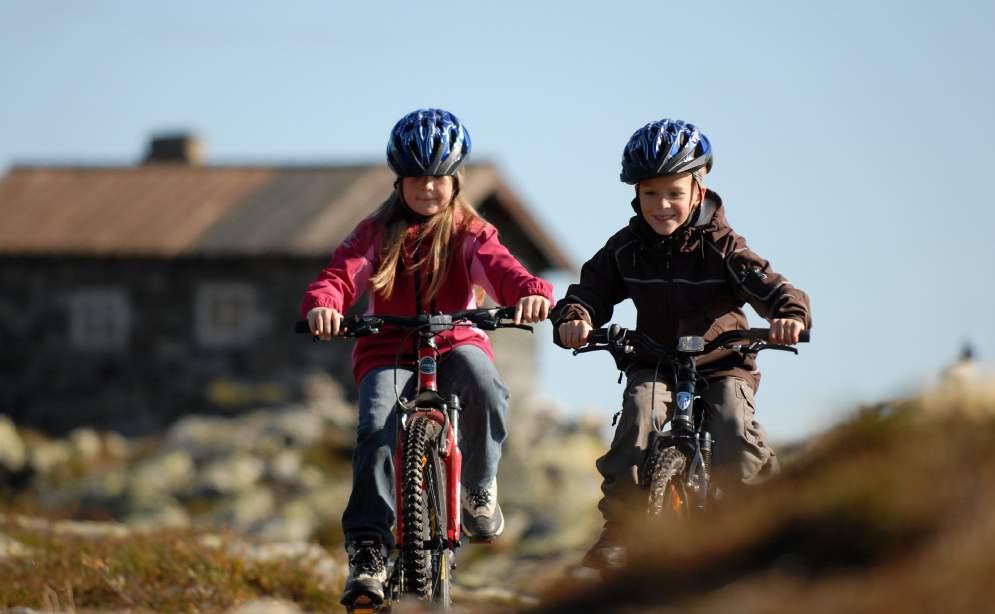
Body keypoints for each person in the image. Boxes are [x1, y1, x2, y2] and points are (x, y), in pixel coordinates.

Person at [301, 108, 553, 605]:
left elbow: (504, 271)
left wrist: (531, 293)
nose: (429, 188)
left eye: (439, 177)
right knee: (376, 430)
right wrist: (324, 306)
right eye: (417, 178)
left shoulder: (471, 232)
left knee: (485, 387)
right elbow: (340, 275)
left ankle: (479, 487)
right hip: (387, 346)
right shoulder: (374, 232)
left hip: (457, 340)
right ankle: (369, 552)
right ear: (399, 181)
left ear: (456, 179)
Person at [550, 118, 812, 572]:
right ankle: (623, 532)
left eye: (673, 192)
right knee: (638, 417)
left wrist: (788, 316)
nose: (662, 205)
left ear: (699, 186)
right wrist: (576, 318)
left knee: (733, 426)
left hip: (722, 362)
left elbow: (772, 287)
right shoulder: (626, 248)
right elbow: (588, 292)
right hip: (653, 361)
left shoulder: (724, 246)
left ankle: (763, 525)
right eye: (650, 193)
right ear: (636, 194)